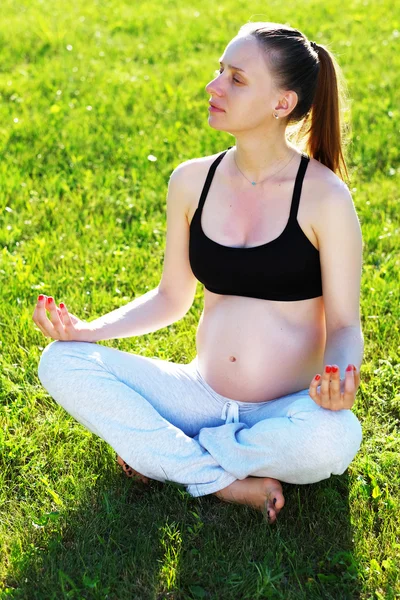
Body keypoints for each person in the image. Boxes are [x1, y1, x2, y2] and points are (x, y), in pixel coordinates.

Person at [34, 22, 364, 525]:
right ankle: (225, 481)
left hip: (284, 411)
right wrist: (88, 332)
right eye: (219, 72)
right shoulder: (192, 180)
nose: (214, 87)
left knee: (335, 440)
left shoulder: (324, 197)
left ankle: (170, 453)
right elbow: (172, 297)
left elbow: (343, 325)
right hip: (198, 394)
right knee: (60, 360)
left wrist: (339, 380)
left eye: (236, 78)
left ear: (282, 103)